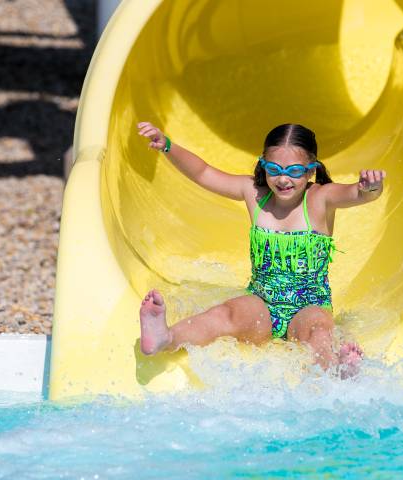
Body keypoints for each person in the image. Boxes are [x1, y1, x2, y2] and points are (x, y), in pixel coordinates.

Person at [136, 122, 385, 377]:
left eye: (295, 171)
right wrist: (166, 145)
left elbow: (360, 194)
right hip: (261, 303)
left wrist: (371, 187)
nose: (283, 179)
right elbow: (203, 173)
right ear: (263, 165)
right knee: (225, 314)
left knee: (318, 332)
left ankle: (338, 369)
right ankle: (166, 337)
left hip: (309, 306)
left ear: (311, 170)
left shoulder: (322, 198)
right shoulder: (254, 193)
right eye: (274, 169)